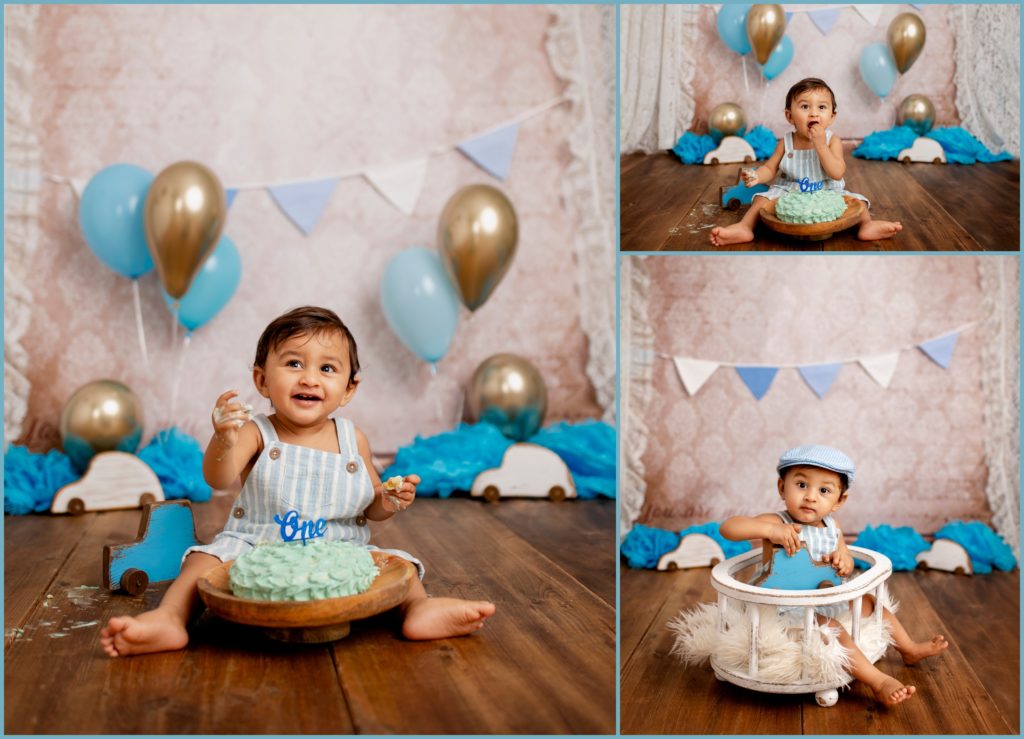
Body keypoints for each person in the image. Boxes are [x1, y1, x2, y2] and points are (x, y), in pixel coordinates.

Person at [102, 306, 495, 657]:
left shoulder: (351, 438)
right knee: (201, 562)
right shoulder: (258, 432)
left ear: (349, 389)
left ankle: (418, 609)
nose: (309, 378)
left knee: (396, 566)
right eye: (293, 364)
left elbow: (370, 505)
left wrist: (389, 500)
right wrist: (225, 439)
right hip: (257, 543)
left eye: (327, 368)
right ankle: (170, 619)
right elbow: (216, 478)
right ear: (261, 380)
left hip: (336, 546)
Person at [719, 444, 947, 705]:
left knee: (873, 604)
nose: (811, 497)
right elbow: (729, 528)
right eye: (801, 485)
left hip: (823, 595)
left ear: (839, 501)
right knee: (833, 628)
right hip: (782, 605)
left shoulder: (832, 526)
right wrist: (769, 531)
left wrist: (844, 559)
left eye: (824, 490)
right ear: (782, 488)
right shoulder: (777, 521)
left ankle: (908, 648)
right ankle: (877, 680)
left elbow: (843, 556)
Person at [710, 78, 903, 246]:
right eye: (804, 107)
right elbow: (770, 168)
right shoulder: (785, 142)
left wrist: (820, 145)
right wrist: (757, 176)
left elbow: (837, 173)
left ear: (832, 116)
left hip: (826, 189)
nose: (813, 113)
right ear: (789, 115)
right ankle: (745, 227)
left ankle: (866, 226)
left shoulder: (832, 140)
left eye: (822, 107)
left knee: (857, 201)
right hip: (790, 190)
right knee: (761, 200)